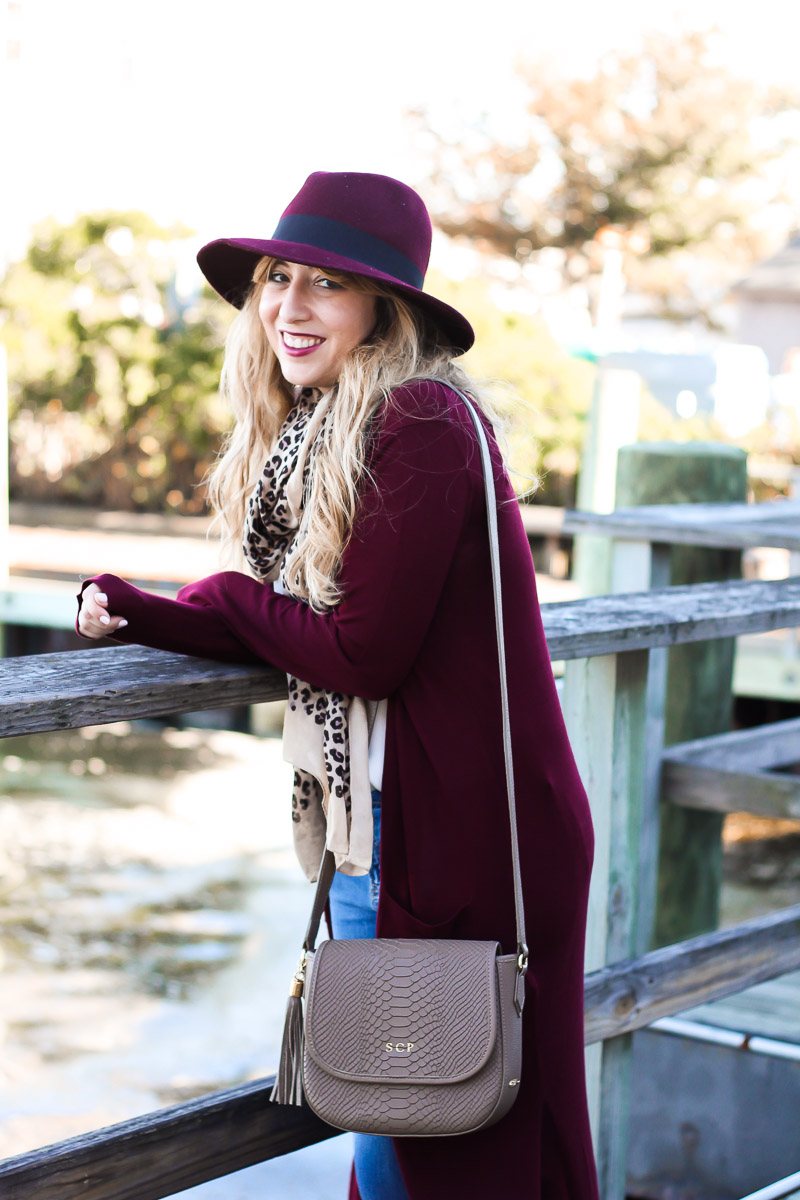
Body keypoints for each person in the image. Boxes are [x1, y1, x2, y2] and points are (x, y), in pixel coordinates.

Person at [77, 171, 599, 1200]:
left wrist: (224, 596)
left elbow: (358, 654)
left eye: (325, 285)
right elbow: (306, 632)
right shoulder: (328, 431)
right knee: (405, 1118)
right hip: (401, 820)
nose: (288, 307)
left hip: (463, 835)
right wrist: (141, 612)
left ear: (381, 311)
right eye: (278, 279)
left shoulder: (420, 427)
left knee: (432, 1133)